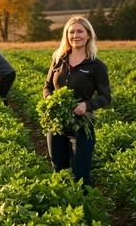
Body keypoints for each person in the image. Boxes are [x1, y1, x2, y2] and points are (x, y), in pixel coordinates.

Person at [43, 15, 111, 194]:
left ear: (89, 35)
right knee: (59, 172)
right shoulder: (58, 59)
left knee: (81, 174)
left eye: (80, 31)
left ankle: (87, 211)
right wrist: (50, 99)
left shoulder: (96, 65)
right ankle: (65, 212)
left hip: (82, 127)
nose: (75, 35)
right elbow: (47, 87)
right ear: (66, 35)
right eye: (71, 32)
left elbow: (106, 97)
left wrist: (86, 106)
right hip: (57, 125)